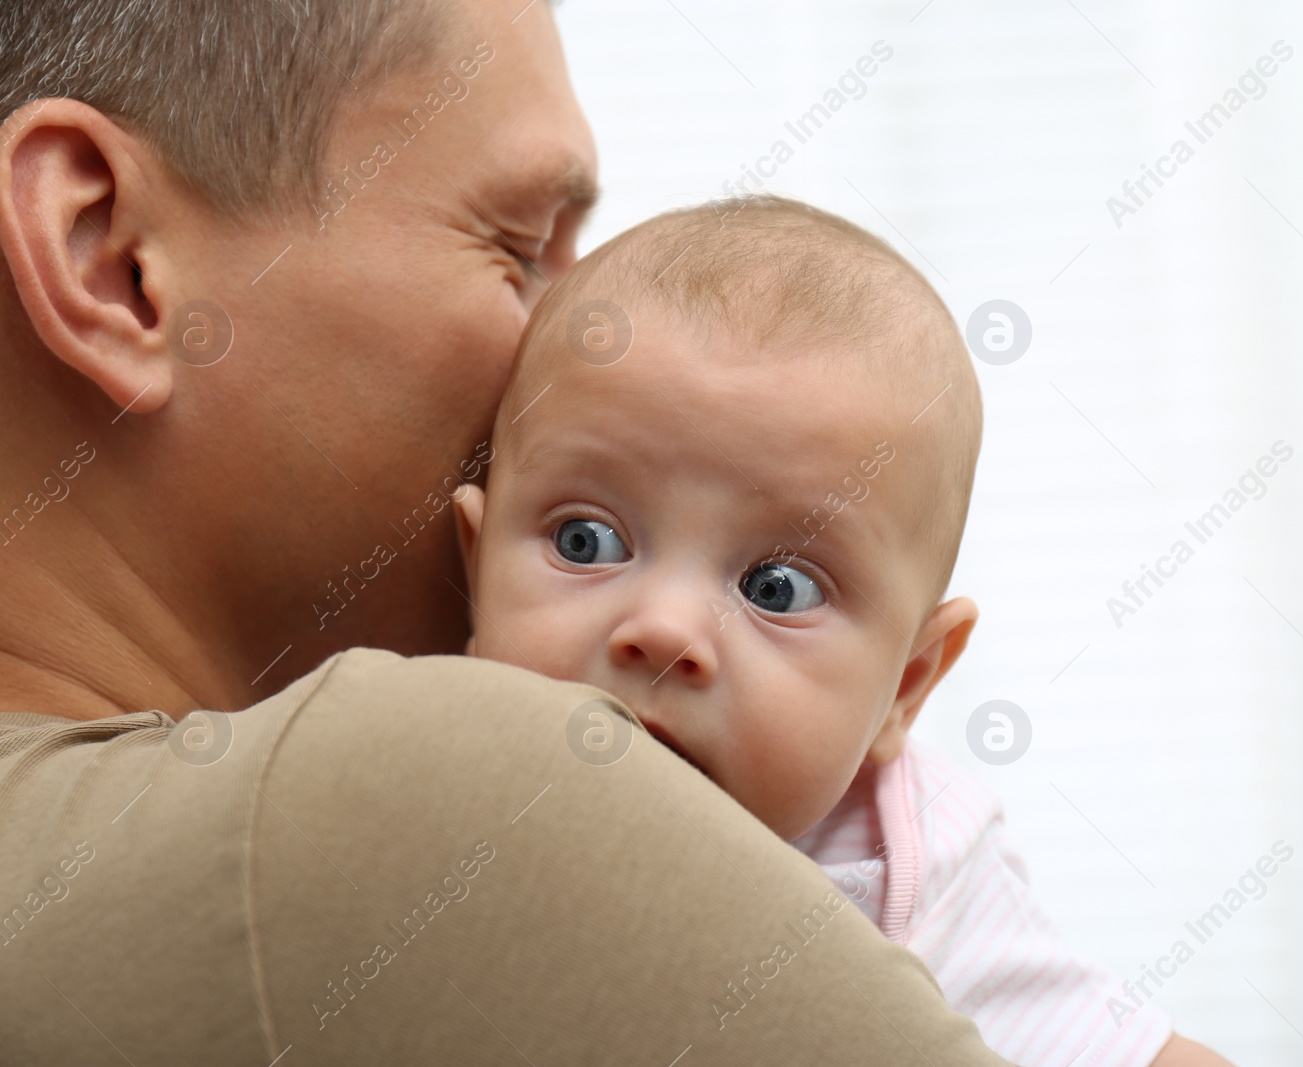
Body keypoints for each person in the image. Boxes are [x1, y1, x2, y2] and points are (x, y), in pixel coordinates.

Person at [0, 0, 1226, 1062]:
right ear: (112, 258)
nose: (577, 343)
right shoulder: (432, 793)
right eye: (525, 248)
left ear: (913, 675)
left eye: (777, 582)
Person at [450, 196, 1218, 1065]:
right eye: (586, 540)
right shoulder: (405, 772)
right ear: (474, 575)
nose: (664, 630)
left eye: (777, 588)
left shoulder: (910, 858)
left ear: (907, 685)